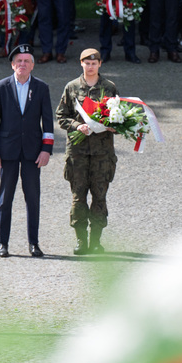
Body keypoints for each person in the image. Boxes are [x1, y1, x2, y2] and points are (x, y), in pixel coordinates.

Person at [0, 44, 54, 258]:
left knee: (33, 198)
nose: (22, 64)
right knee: (5, 199)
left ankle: (34, 243)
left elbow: (48, 123)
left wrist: (47, 150)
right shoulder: (1, 87)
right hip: (7, 151)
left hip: (33, 152)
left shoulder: (42, 88)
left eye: (26, 61)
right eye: (19, 61)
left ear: (32, 65)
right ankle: (2, 243)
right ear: (12, 65)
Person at [56, 48, 118, 255]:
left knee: (100, 197)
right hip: (78, 154)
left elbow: (120, 116)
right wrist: (76, 126)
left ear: (100, 64)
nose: (90, 67)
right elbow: (61, 116)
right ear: (81, 64)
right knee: (78, 198)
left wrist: (113, 125)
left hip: (102, 154)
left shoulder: (109, 88)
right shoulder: (72, 88)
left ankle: (97, 241)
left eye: (94, 63)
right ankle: (81, 241)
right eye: (87, 63)